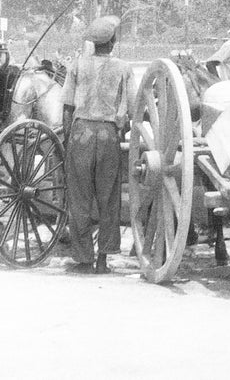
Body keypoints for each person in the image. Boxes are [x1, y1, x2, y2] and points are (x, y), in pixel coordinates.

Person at [62, 15, 133, 275]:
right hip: (107, 134)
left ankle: (83, 257)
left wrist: (68, 140)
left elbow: (67, 107)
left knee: (79, 198)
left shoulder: (77, 65)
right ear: (112, 42)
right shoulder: (124, 68)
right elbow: (133, 107)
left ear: (93, 43)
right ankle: (103, 258)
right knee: (108, 198)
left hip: (81, 132)